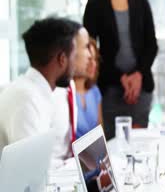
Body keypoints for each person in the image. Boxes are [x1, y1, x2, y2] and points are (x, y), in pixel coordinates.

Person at [83, 0, 158, 139]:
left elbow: (152, 44)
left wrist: (138, 74)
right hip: (110, 87)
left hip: (141, 86)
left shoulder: (141, 2)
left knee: (140, 143)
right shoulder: (95, 6)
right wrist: (121, 77)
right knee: (112, 142)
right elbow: (91, 50)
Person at [0, 17, 82, 158]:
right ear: (62, 59)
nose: (75, 66)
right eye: (74, 57)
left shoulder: (39, 93)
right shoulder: (26, 98)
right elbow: (30, 173)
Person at [52, 24, 91, 162]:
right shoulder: (49, 94)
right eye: (86, 47)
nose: (90, 55)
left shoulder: (70, 86)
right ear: (71, 50)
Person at [75, 38, 103, 139]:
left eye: (95, 59)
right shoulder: (66, 94)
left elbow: (100, 133)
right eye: (89, 59)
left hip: (93, 153)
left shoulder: (94, 91)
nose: (93, 64)